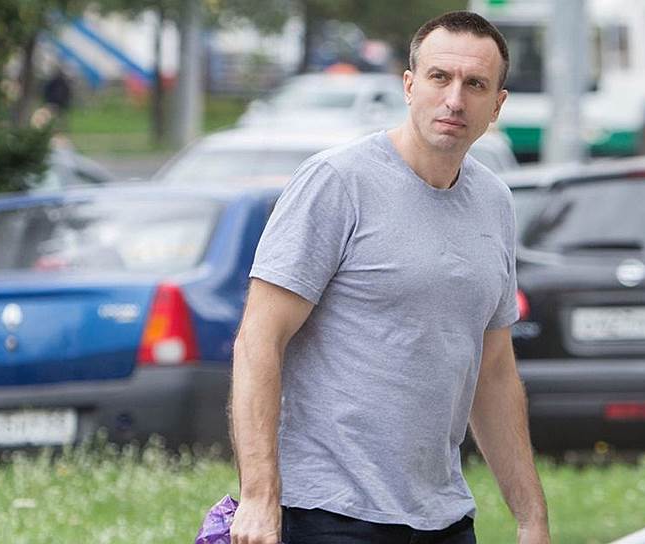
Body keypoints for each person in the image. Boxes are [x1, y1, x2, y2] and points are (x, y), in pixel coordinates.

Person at [229, 10, 550, 544]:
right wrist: (259, 497)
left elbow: (493, 371)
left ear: (497, 105)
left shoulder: (494, 201)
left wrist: (531, 518)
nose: (454, 99)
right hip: (329, 513)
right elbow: (258, 340)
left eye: (475, 85)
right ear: (408, 85)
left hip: (443, 517)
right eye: (439, 77)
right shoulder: (337, 181)